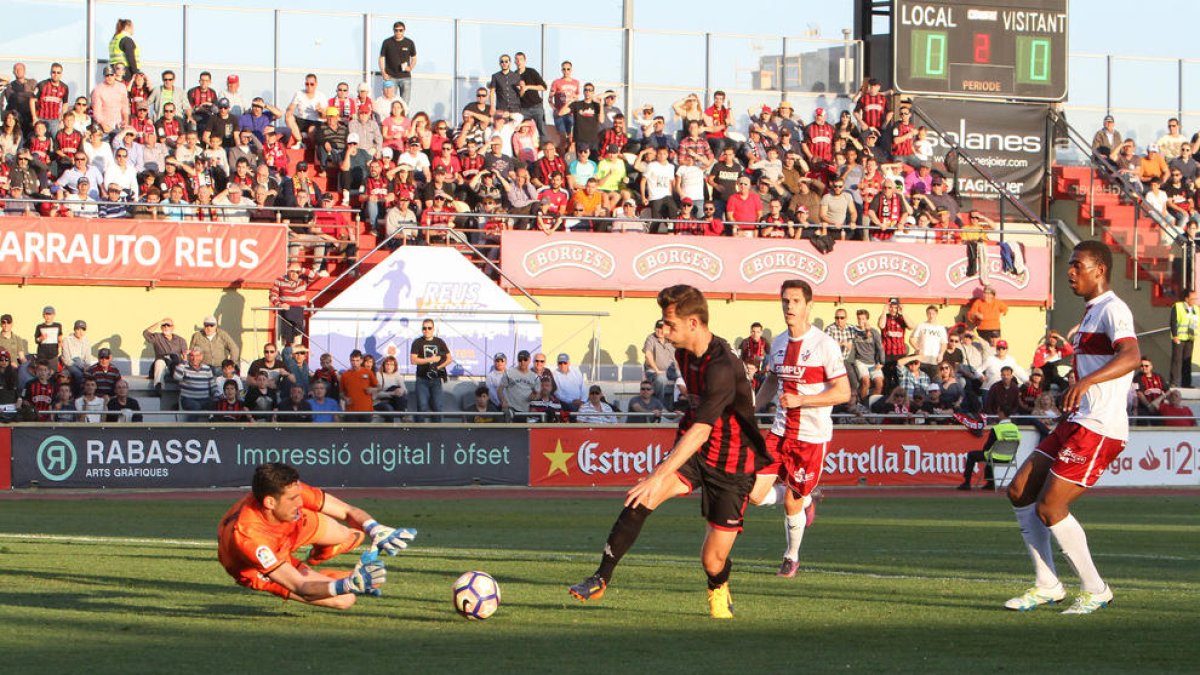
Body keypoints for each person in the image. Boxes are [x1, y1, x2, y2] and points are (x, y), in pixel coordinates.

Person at [568, 285, 770, 620]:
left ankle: (719, 586)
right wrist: (657, 478)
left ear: (694, 323)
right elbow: (698, 419)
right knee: (640, 497)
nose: (664, 331)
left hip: (731, 462)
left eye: (669, 324)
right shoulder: (683, 354)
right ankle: (601, 576)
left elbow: (704, 428)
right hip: (695, 451)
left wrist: (657, 473)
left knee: (712, 560)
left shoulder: (723, 365)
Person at [1004, 240, 1140, 614]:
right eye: (1071, 265)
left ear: (1100, 269)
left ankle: (1096, 589)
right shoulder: (1088, 316)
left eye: (1078, 265)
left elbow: (1131, 356)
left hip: (1100, 427)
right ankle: (1047, 584)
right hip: (1077, 420)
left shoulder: (1114, 309)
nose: (1070, 272)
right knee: (1019, 491)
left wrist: (1086, 382)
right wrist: (1073, 388)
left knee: (1050, 507)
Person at [749, 280, 851, 577]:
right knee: (754, 495)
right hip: (780, 433)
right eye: (785, 301)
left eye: (795, 301)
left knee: (791, 500)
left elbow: (843, 392)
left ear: (809, 305)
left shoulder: (824, 345)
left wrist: (802, 400)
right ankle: (808, 496)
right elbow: (771, 379)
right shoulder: (779, 342)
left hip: (811, 437)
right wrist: (752, 409)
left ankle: (791, 556)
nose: (789, 306)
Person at [217, 462, 415, 608]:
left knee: (344, 533)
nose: (300, 503)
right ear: (270, 502)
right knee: (345, 600)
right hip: (257, 567)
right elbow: (301, 586)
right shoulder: (251, 540)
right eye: (293, 499)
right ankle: (334, 577)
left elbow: (347, 511)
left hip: (287, 527)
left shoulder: (289, 493)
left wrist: (375, 528)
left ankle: (325, 551)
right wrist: (347, 584)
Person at [959, 415, 1020, 490]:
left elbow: (987, 447)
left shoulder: (996, 428)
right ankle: (990, 483)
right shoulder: (1015, 428)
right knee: (989, 454)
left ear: (1001, 412)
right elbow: (1018, 442)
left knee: (972, 455)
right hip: (1010, 458)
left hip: (995, 457)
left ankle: (967, 483)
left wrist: (985, 450)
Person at [410, 319, 452, 422]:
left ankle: (436, 433)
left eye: (429, 328)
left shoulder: (439, 342)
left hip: (436, 379)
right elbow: (413, 360)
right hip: (422, 379)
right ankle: (419, 432)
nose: (426, 330)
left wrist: (437, 367)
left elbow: (449, 358)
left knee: (437, 407)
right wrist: (431, 359)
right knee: (422, 406)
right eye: (424, 328)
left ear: (433, 329)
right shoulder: (417, 342)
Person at [143, 317, 187, 395]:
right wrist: (159, 322)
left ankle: (183, 392)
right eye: (164, 325)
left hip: (175, 366)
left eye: (168, 325)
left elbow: (185, 357)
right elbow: (145, 333)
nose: (166, 327)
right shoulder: (157, 337)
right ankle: (158, 388)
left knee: (181, 366)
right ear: (161, 327)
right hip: (162, 366)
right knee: (160, 361)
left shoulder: (181, 340)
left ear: (173, 327)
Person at [378, 21, 417, 104]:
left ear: (404, 30)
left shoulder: (409, 43)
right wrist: (383, 72)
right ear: (393, 30)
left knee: (405, 103)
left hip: (405, 77)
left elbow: (414, 58)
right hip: (391, 77)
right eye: (396, 30)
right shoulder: (387, 42)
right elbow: (381, 58)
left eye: (400, 30)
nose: (398, 32)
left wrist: (410, 67)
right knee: (390, 102)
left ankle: (405, 117)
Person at [175, 349, 218, 421]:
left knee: (218, 403)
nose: (194, 358)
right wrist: (184, 361)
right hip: (188, 399)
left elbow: (212, 385)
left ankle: (214, 426)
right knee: (196, 406)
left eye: (197, 356)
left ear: (201, 357)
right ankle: (191, 429)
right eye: (192, 356)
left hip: (205, 399)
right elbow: (176, 377)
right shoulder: (184, 367)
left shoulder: (207, 368)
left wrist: (217, 396)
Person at [498, 350, 539, 422]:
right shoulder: (509, 373)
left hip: (525, 410)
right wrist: (503, 400)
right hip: (511, 408)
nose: (522, 362)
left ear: (529, 360)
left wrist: (534, 397)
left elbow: (538, 393)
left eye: (525, 359)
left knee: (523, 431)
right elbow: (499, 390)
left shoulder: (534, 376)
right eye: (520, 360)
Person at [1168, 291, 1197, 388]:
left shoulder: (1196, 309)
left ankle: (1186, 383)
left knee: (1187, 362)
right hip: (1179, 338)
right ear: (1186, 299)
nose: (1194, 301)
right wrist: (1175, 335)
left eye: (1195, 299)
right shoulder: (1178, 306)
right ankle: (1174, 382)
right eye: (1193, 299)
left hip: (1190, 338)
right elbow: (1173, 321)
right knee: (1177, 360)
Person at [643, 319, 676, 402]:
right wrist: (657, 370)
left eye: (662, 329)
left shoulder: (672, 339)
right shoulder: (651, 338)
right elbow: (648, 354)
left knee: (683, 378)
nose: (659, 331)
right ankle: (659, 404)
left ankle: (679, 405)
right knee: (661, 378)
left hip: (670, 371)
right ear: (654, 328)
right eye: (658, 328)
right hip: (653, 371)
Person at [339, 350, 378, 420]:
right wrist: (345, 398)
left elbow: (379, 387)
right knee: (352, 431)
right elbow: (341, 393)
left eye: (357, 360)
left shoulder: (368, 372)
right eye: (352, 360)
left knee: (365, 430)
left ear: (361, 361)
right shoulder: (345, 375)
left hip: (366, 411)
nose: (354, 363)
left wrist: (373, 389)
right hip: (351, 411)